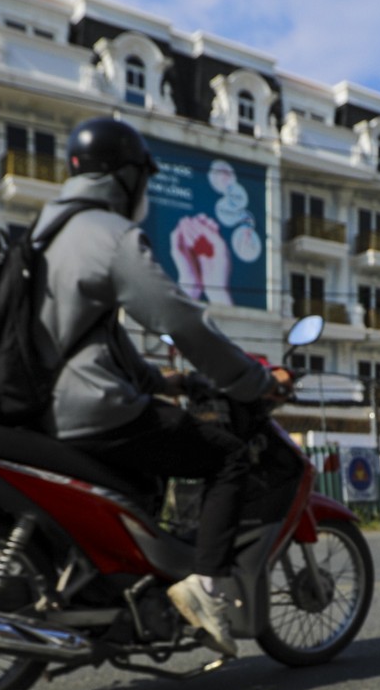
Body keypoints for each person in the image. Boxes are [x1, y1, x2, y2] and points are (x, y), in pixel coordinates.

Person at [34, 116, 292, 657]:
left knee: (149, 476)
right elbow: (181, 321)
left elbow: (87, 335)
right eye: (143, 181)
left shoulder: (46, 233)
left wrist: (165, 380)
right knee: (227, 459)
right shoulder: (110, 236)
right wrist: (251, 381)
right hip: (91, 408)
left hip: (45, 406)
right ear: (125, 178)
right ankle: (207, 587)